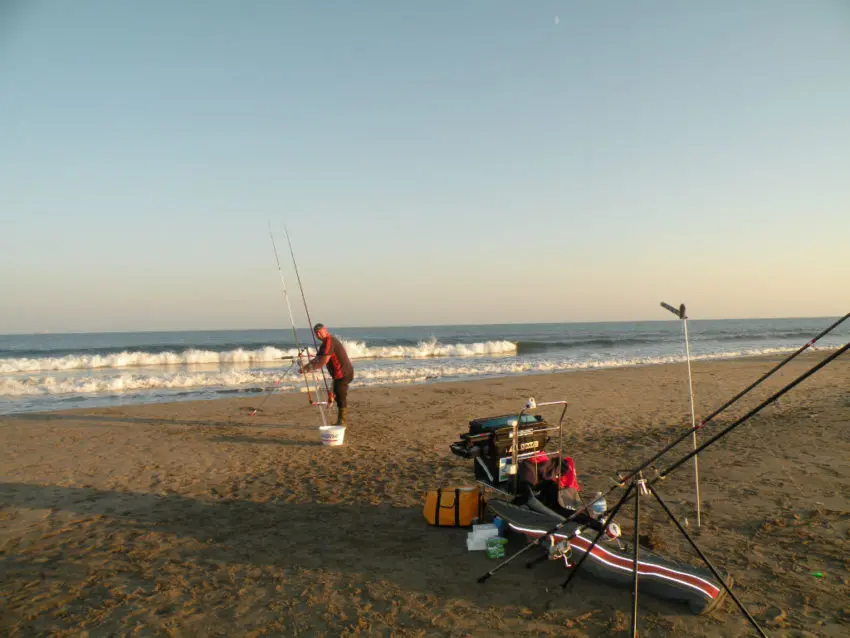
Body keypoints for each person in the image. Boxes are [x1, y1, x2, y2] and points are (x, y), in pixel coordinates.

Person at [299, 323, 354, 426]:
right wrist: (305, 368)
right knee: (333, 393)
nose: (318, 335)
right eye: (316, 334)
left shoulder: (330, 341)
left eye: (320, 332)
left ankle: (342, 421)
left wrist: (311, 369)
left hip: (344, 373)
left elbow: (323, 361)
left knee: (340, 395)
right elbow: (317, 359)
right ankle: (333, 400)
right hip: (338, 375)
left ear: (325, 330)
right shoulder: (324, 345)